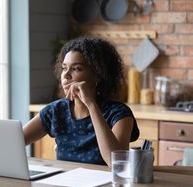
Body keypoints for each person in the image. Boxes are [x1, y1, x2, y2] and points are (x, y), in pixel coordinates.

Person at [23, 36, 139, 167]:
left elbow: (116, 164)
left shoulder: (119, 114)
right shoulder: (56, 110)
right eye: (64, 68)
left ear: (98, 75)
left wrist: (91, 104)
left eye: (76, 68)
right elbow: (14, 141)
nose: (66, 75)